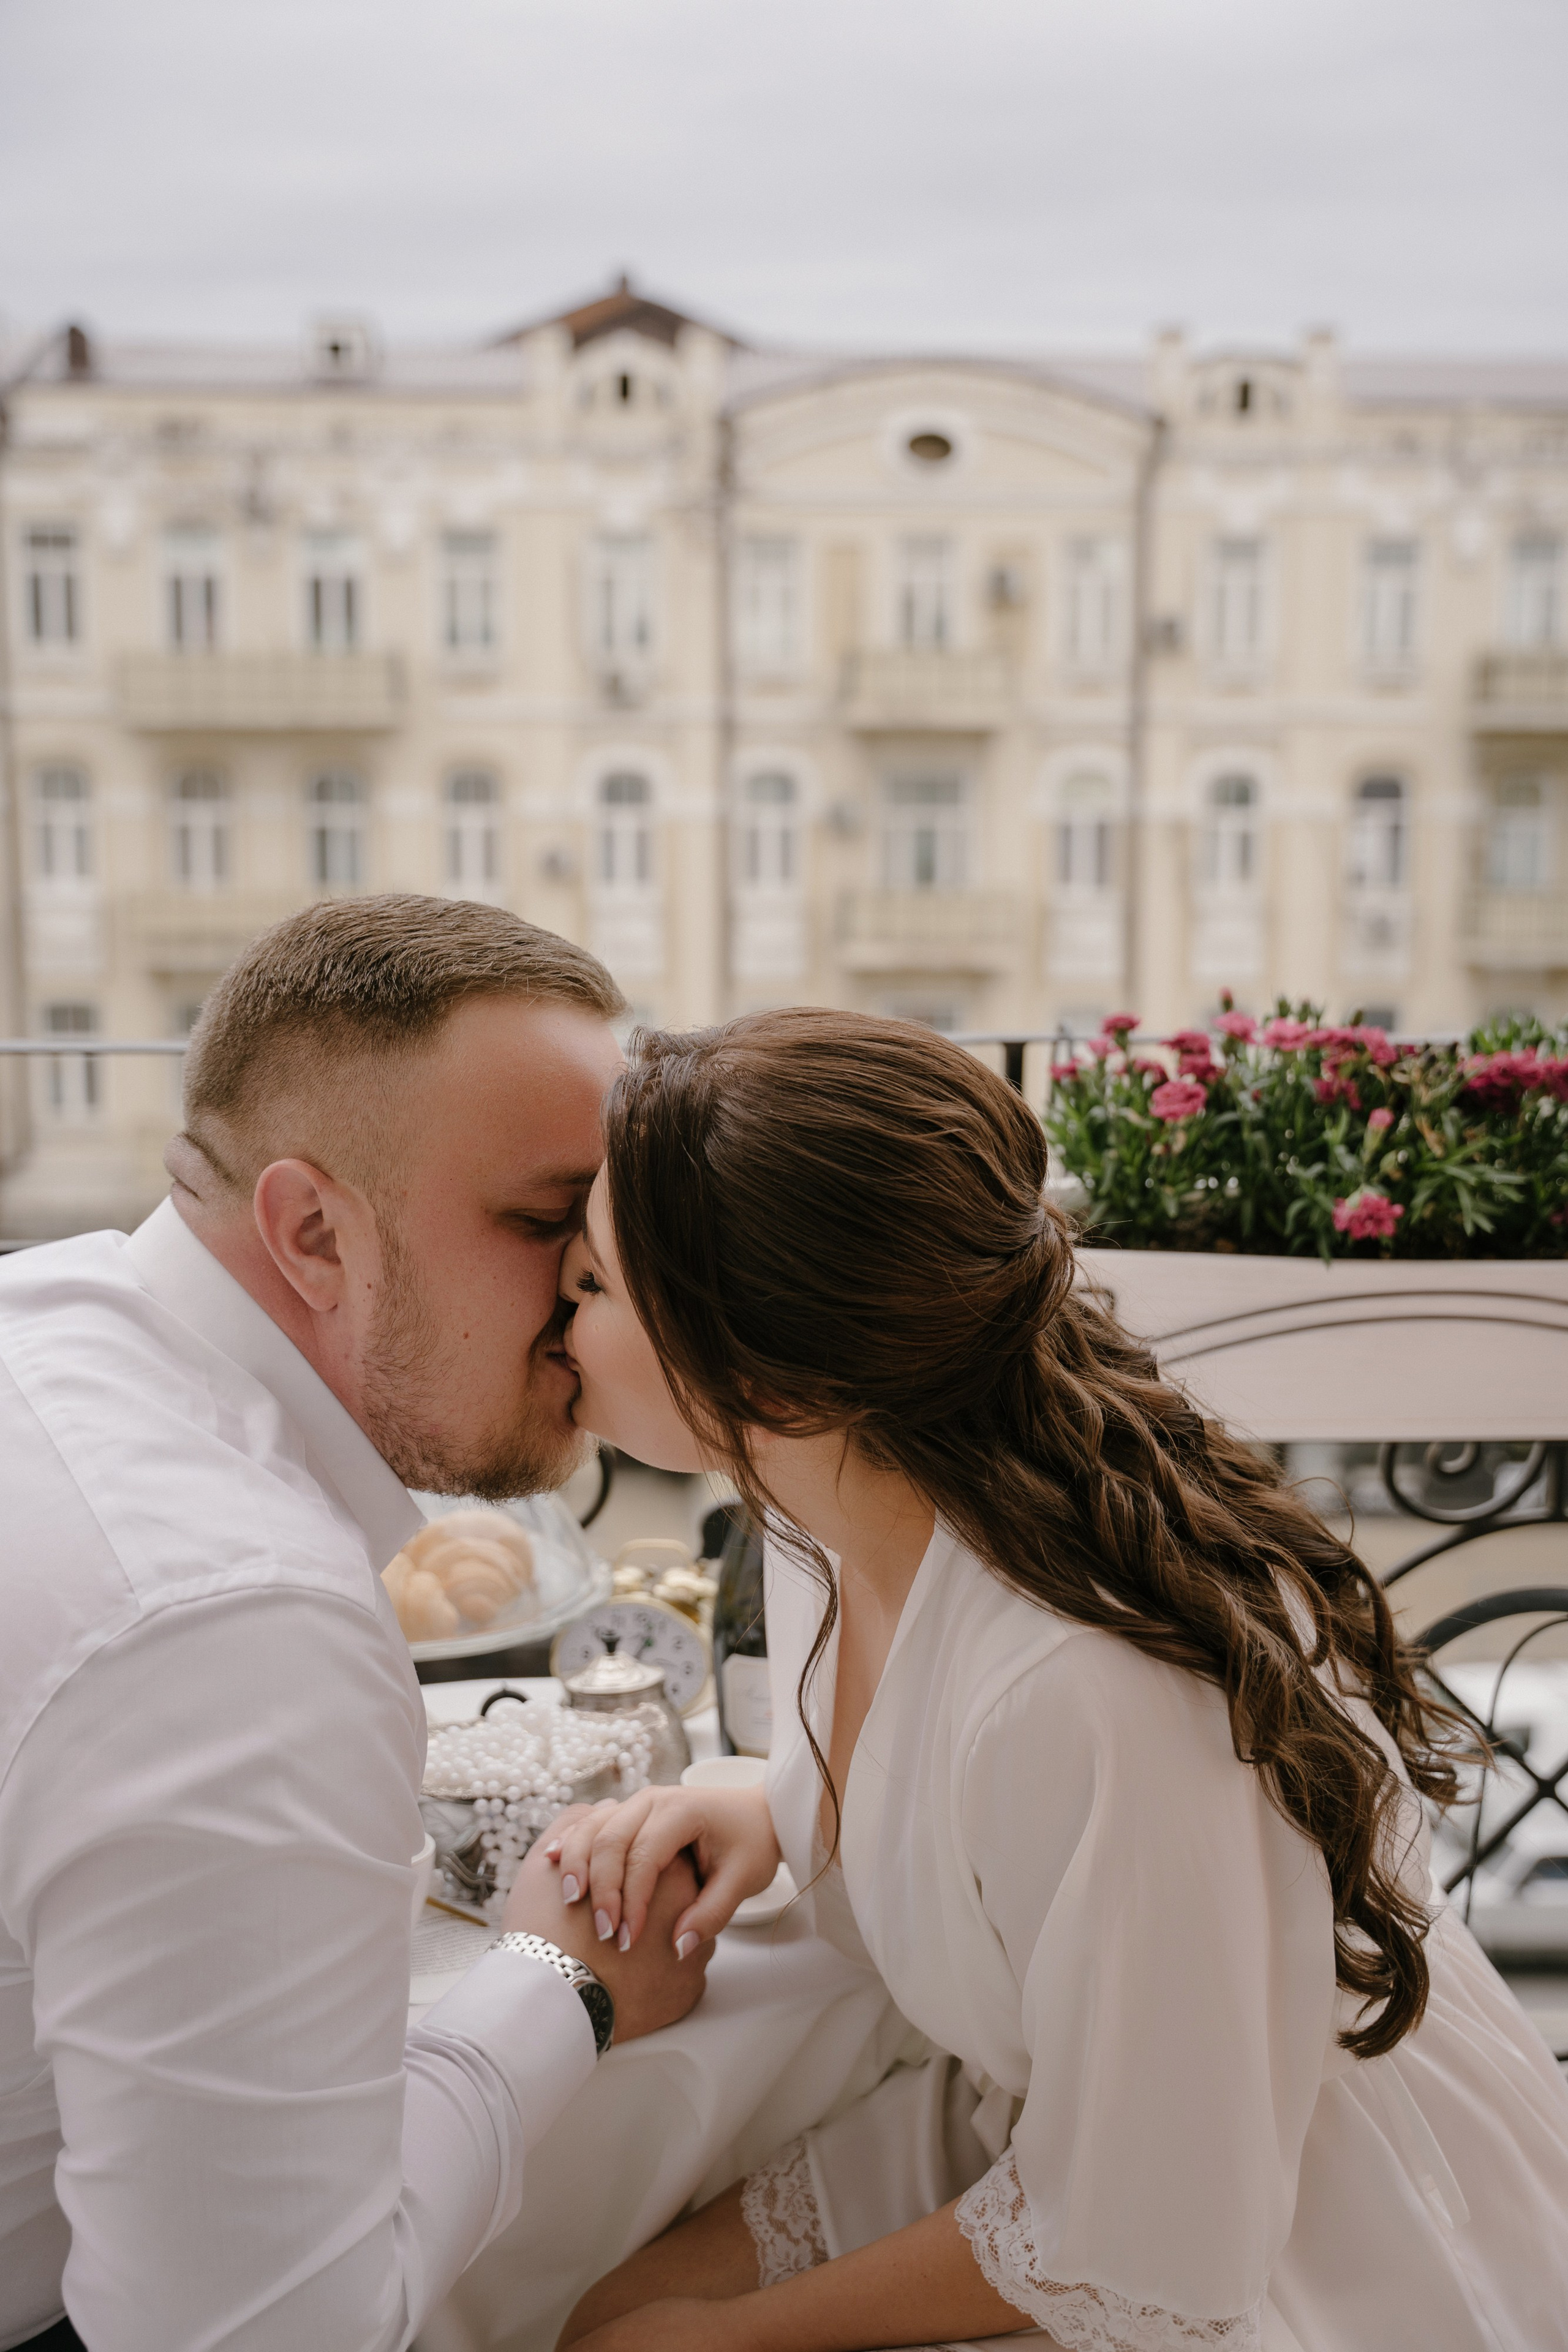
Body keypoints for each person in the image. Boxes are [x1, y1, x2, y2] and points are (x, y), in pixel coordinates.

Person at [544, 1006, 1568, 2352]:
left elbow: (1147, 2250)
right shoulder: (823, 1517)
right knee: (586, 2305)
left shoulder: (1087, 1693)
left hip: (1266, 2235)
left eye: (591, 1286)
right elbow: (943, 1789)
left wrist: (735, 2335)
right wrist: (779, 1808)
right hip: (1055, 2127)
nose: (553, 1315)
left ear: (773, 1380)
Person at [0, 895, 713, 2352]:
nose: (605, 1289)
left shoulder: (45, 1316)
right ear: (313, 1231)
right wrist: (562, 1988)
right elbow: (265, 2332)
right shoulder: (233, 1628)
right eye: (548, 1222)